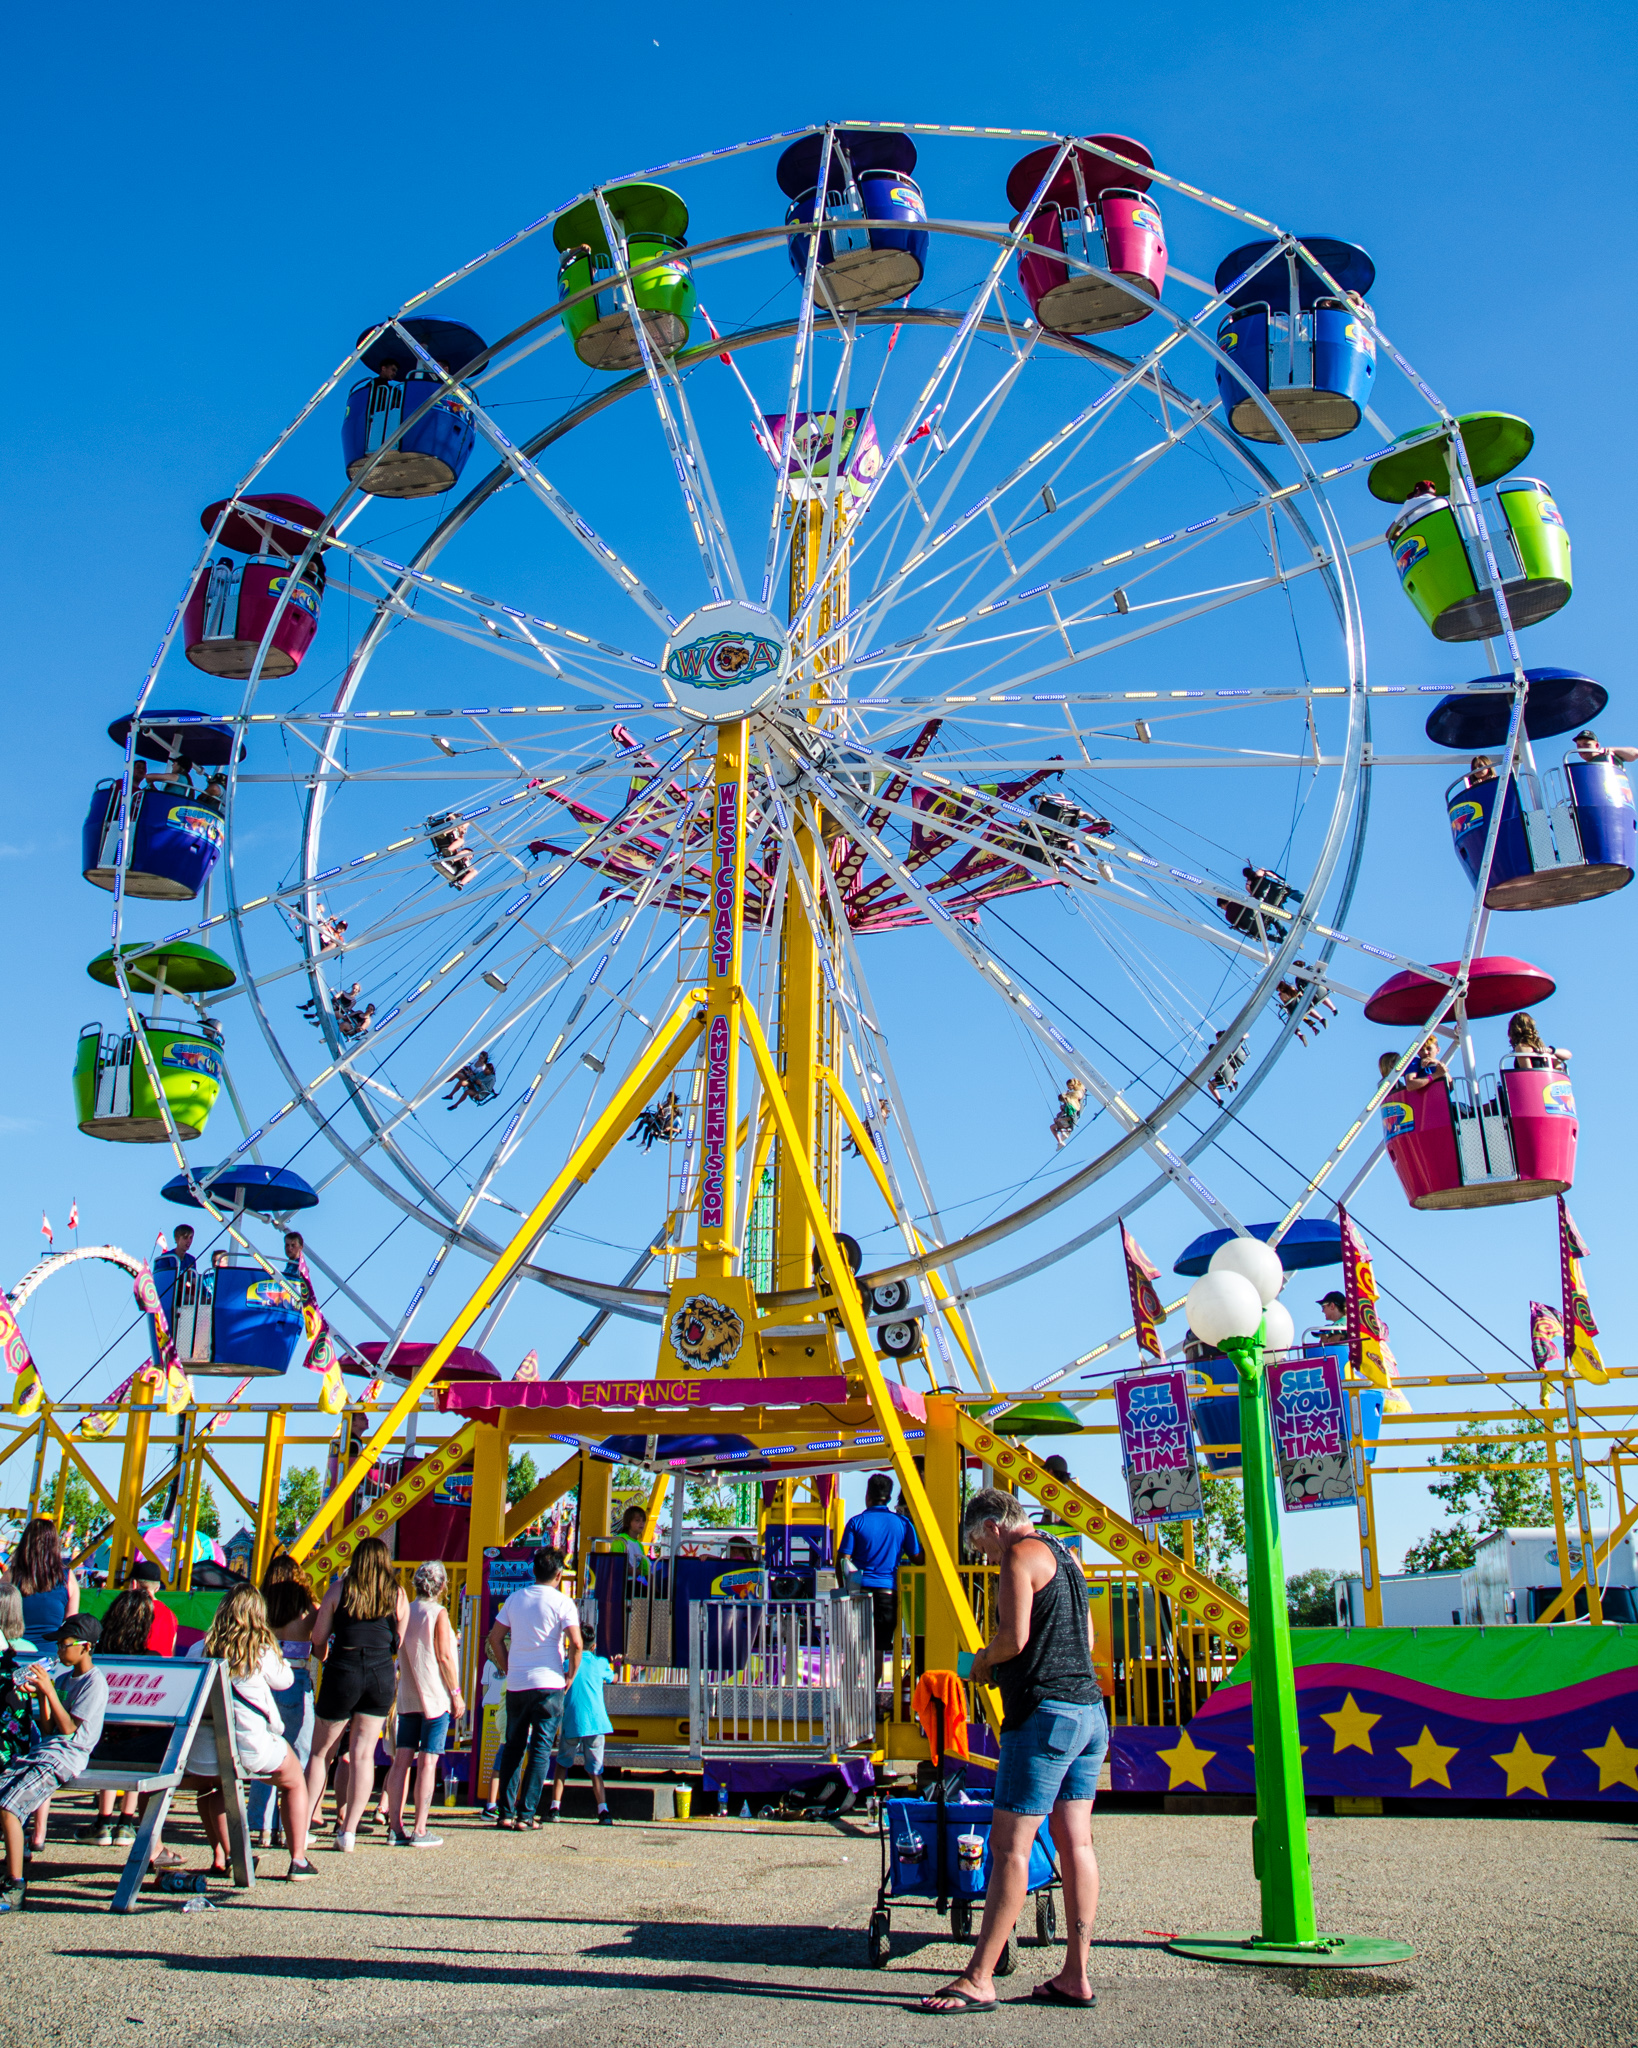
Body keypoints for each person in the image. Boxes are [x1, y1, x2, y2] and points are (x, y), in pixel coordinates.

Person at [921, 1489, 1105, 2014]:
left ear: (994, 1524)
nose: (981, 1554)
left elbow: (1014, 1637)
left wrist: (981, 1661)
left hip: (1045, 1717)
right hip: (1090, 1714)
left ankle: (979, 1978)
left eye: (978, 1542)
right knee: (1077, 1846)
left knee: (1009, 1847)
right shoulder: (1065, 1555)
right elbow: (1086, 1639)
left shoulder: (1020, 1555)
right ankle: (1075, 1974)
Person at [184, 1586, 315, 1881]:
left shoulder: (200, 1648)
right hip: (249, 1746)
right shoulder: (260, 1650)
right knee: (293, 1781)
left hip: (203, 1750)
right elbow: (285, 1680)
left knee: (216, 1787)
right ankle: (298, 1860)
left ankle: (227, 1856)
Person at [304, 1536, 408, 1852]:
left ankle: (305, 1824)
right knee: (363, 1755)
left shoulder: (339, 1590)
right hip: (380, 1674)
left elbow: (319, 1636)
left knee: (322, 1752)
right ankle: (348, 1832)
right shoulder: (398, 1594)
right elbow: (398, 1641)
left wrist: (323, 1656)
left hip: (343, 1669)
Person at [0, 1615, 108, 1911]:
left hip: (66, 1758)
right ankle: (10, 1869)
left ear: (86, 1647)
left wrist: (48, 1691)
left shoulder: (94, 1682)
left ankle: (15, 1884)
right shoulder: (62, 1679)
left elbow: (71, 1730)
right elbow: (48, 1729)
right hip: (44, 1752)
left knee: (9, 1806)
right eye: (59, 1645)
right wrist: (40, 1696)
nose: (59, 1651)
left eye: (65, 1644)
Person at [79, 1562, 182, 1855]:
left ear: (133, 1585)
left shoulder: (122, 1611)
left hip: (115, 1699)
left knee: (110, 1736)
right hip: (151, 1700)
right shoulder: (168, 1615)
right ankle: (127, 1822)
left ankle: (103, 1820)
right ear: (158, 1588)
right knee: (137, 1749)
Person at [484, 1547, 581, 1831]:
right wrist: (570, 1676)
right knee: (539, 1749)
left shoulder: (515, 1599)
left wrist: (508, 1666)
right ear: (559, 1573)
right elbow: (576, 1643)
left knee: (513, 1746)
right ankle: (526, 1815)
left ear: (533, 1571)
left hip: (517, 1683)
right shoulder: (564, 1603)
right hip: (550, 1683)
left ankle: (504, 1812)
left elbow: (495, 1638)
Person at [384, 1561, 464, 1848]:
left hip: (408, 1694)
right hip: (434, 1695)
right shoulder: (438, 1613)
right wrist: (456, 1693)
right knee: (428, 1761)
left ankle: (395, 1826)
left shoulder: (406, 1611)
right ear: (442, 1586)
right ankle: (420, 1828)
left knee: (402, 1761)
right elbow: (443, 1656)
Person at [248, 1553, 319, 1848]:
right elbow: (321, 1650)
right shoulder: (307, 1609)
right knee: (298, 1756)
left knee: (263, 1754)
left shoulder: (259, 1608)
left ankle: (260, 1826)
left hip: (262, 1681)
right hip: (295, 1678)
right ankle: (290, 1828)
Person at [837, 1475, 919, 1679]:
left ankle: (850, 1701)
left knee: (854, 1648)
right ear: (889, 1497)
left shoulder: (856, 1522)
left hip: (859, 1593)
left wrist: (844, 1589)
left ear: (868, 1496)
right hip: (887, 1593)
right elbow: (918, 1558)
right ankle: (871, 1702)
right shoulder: (902, 1523)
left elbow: (842, 1561)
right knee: (878, 1651)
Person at [547, 1620, 614, 1825]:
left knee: (562, 1765)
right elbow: (611, 1677)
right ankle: (603, 1811)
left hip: (573, 1721)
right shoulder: (601, 1663)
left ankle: (555, 1808)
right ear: (593, 1647)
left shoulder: (567, 1665)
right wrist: (616, 1664)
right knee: (595, 1769)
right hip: (596, 1723)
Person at [12, 1519, 79, 1660]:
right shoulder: (68, 1578)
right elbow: (71, 1626)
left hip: (16, 1655)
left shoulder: (11, 1576)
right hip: (50, 1658)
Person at [1573, 730, 1638, 767]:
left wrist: (1611, 750)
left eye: (1586, 744)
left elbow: (1635, 753)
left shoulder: (1608, 755)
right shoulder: (1584, 769)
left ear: (1596, 746)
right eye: (1579, 745)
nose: (1582, 748)